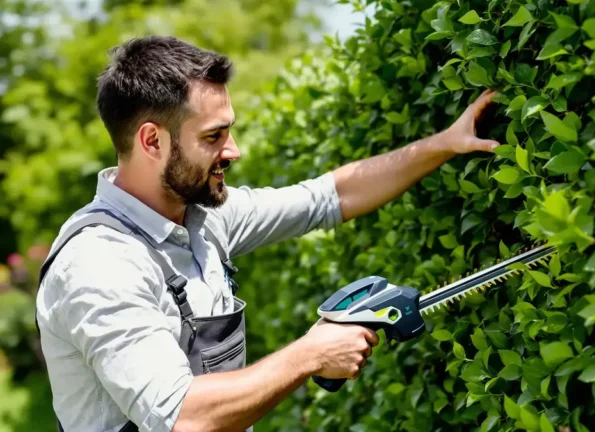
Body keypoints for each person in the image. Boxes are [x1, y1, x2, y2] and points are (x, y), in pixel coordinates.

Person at [34, 35, 500, 432]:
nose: (233, 151)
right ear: (152, 141)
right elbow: (182, 417)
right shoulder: (100, 263)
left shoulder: (203, 216)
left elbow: (328, 197)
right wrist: (311, 353)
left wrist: (444, 143)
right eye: (213, 137)